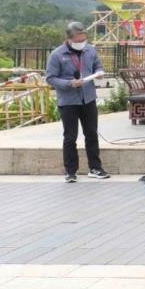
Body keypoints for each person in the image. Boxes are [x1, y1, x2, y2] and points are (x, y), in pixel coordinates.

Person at [45, 22, 110, 182]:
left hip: (88, 99)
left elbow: (98, 66)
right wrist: (69, 83)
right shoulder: (57, 54)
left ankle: (95, 168)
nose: (81, 42)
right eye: (78, 40)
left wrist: (99, 73)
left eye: (83, 39)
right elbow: (50, 78)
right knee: (70, 137)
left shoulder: (90, 50)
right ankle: (70, 172)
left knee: (91, 134)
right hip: (68, 101)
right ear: (69, 39)